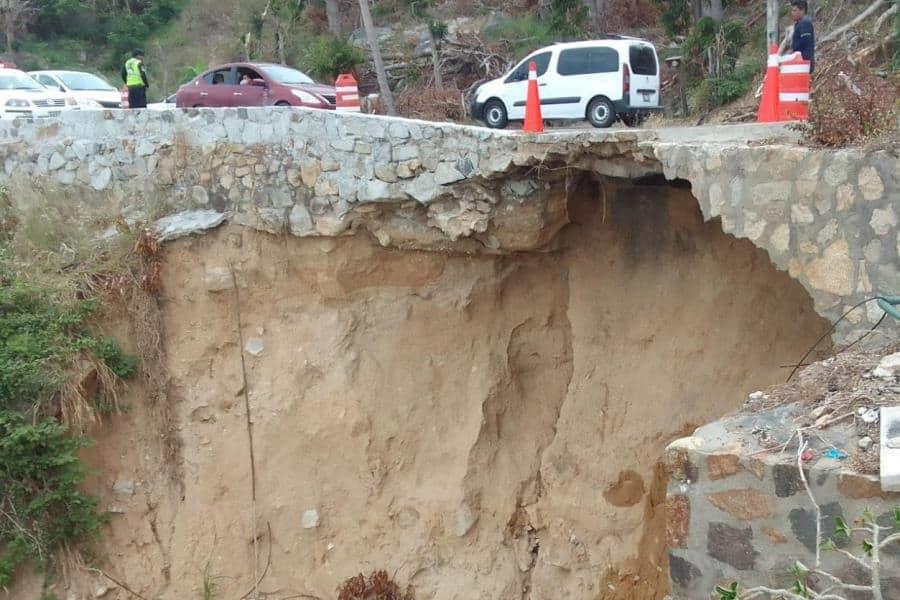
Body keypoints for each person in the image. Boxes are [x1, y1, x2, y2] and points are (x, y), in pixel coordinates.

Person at [790, 0, 815, 73]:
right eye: (792, 10)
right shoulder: (799, 24)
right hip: (800, 63)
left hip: (804, 63)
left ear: (802, 10)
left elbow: (805, 41)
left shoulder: (805, 24)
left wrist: (793, 51)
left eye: (794, 10)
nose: (792, 13)